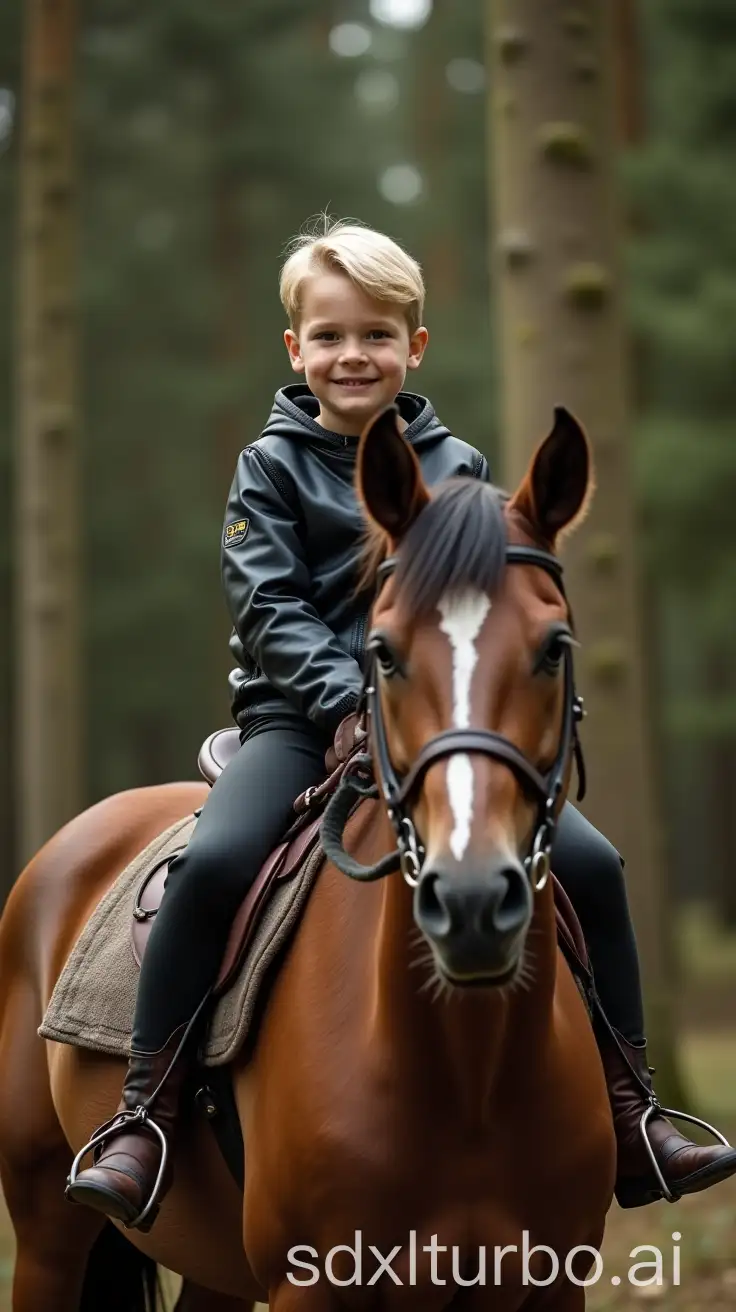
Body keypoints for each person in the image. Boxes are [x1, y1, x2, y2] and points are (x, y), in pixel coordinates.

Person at [66, 217, 736, 1230]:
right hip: (296, 719)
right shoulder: (269, 467)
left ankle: (632, 1105)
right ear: (295, 348)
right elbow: (268, 605)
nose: (352, 354)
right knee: (215, 863)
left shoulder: (455, 460)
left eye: (376, 334)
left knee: (592, 866)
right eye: (329, 335)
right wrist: (344, 697)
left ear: (414, 346)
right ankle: (145, 1113)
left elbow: (478, 605)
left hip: (434, 720)